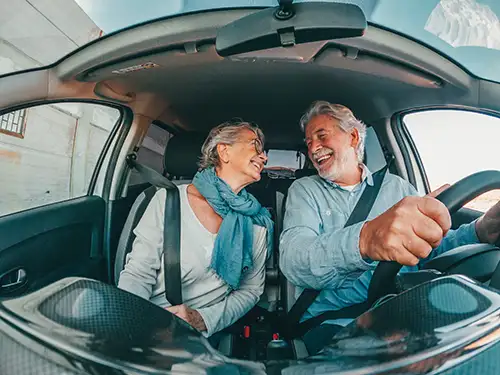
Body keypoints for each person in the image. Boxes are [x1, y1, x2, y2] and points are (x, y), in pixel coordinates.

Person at [279, 100, 500, 354]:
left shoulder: (397, 188)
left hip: (403, 305)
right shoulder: (305, 190)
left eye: (321, 136)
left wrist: (482, 230)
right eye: (309, 142)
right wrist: (365, 240)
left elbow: (432, 246)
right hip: (335, 319)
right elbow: (294, 258)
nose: (314, 148)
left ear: (352, 137)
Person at [118, 120, 274, 340]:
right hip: (148, 321)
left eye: (264, 152)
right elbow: (138, 272)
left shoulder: (258, 223)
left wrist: (203, 319)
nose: (264, 157)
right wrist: (134, 324)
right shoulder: (168, 200)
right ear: (224, 151)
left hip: (205, 334)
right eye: (255, 145)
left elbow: (251, 290)